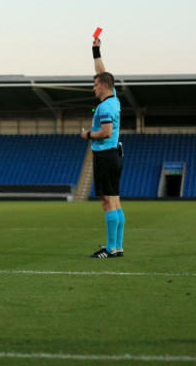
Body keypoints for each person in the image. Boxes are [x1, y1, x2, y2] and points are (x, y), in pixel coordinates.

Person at [81, 37, 126, 258]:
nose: (94, 87)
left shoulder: (106, 106)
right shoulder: (114, 98)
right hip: (113, 154)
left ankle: (110, 249)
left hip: (105, 155)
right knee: (115, 201)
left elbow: (106, 131)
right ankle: (117, 247)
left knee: (107, 202)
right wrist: (96, 50)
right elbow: (103, 72)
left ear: (104, 86)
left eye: (96, 84)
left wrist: (87, 134)